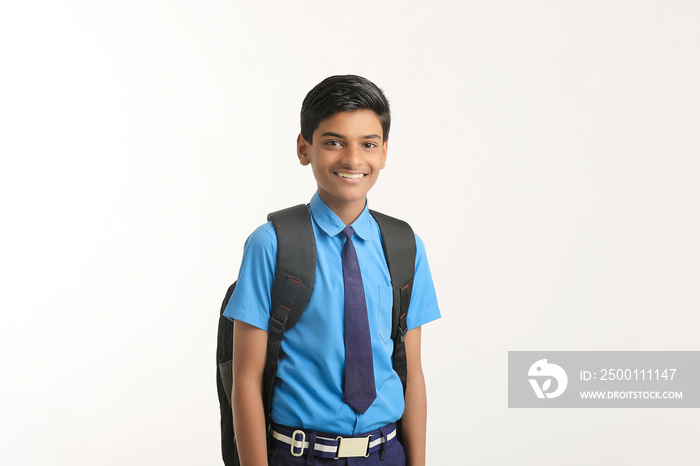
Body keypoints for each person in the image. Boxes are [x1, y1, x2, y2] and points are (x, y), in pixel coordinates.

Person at [224, 75, 441, 465]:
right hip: (300, 454)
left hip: (385, 453)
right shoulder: (272, 244)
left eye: (368, 144)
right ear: (304, 148)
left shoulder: (405, 246)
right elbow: (246, 381)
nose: (353, 159)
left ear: (385, 153)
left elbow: (413, 373)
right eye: (333, 142)